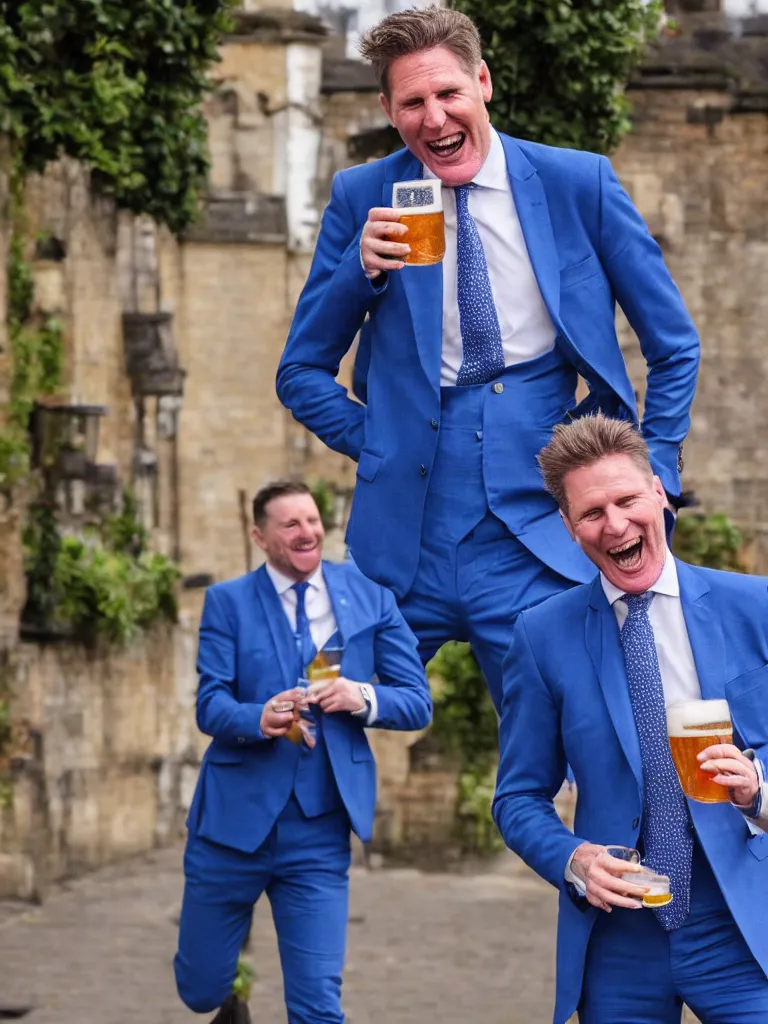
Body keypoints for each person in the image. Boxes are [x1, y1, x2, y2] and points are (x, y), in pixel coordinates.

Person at [276, 5, 700, 711]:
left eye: (448, 94)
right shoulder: (362, 197)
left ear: (483, 81)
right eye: (412, 102)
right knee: (308, 709)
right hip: (403, 540)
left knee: (588, 733)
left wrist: (654, 467)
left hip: (541, 531)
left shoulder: (578, 184)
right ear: (388, 108)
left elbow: (674, 343)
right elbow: (300, 372)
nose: (435, 119)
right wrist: (360, 277)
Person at [493, 413, 768, 1024]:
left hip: (743, 923)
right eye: (591, 513)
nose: (614, 524)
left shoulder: (756, 607)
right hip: (619, 936)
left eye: (626, 500)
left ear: (660, 495)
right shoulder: (541, 636)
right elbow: (517, 798)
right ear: (569, 528)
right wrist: (573, 859)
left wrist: (757, 789)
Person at [174, 481, 431, 1024]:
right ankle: (228, 1001)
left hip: (318, 830)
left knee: (317, 1006)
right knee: (200, 989)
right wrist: (256, 718)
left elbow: (416, 702)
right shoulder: (227, 602)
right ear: (260, 536)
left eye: (312, 520)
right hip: (231, 828)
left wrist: (360, 695)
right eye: (290, 524)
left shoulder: (371, 597)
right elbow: (210, 703)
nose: (307, 532)